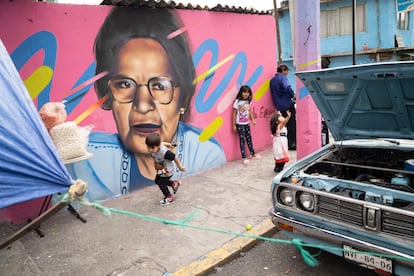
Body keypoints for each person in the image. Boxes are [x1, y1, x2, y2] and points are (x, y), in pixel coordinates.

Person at [66, 7, 226, 201]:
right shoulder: (88, 160)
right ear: (108, 95)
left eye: (159, 85)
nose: (142, 105)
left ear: (182, 97)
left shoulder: (204, 153)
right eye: (125, 84)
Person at [145, 132, 185, 205]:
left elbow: (174, 157)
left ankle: (169, 197)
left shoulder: (164, 152)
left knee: (161, 184)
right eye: (148, 147)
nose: (150, 150)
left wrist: (180, 167)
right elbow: (162, 143)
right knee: (157, 181)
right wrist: (169, 144)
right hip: (161, 170)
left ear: (157, 146)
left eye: (152, 147)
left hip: (168, 171)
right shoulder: (156, 147)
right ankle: (174, 183)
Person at [269, 64, 297, 150]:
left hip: (279, 106)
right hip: (287, 104)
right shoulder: (283, 78)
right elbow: (287, 87)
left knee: (285, 123)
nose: (287, 73)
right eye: (287, 71)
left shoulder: (272, 80)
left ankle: (288, 143)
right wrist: (293, 95)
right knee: (292, 124)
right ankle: (292, 143)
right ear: (283, 70)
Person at [232, 85, 261, 165]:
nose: (246, 94)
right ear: (241, 93)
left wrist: (253, 120)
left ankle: (253, 153)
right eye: (244, 92)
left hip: (246, 123)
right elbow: (234, 113)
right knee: (242, 140)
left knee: (249, 138)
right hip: (240, 124)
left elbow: (249, 111)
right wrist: (234, 125)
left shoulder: (248, 101)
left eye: (247, 92)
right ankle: (244, 157)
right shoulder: (237, 102)